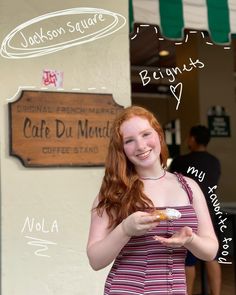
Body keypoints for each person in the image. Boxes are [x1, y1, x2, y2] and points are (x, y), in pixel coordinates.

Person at [87, 106, 218, 295]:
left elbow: (211, 251)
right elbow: (95, 260)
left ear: (158, 134)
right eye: (129, 141)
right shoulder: (114, 192)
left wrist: (190, 239)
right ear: (121, 149)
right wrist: (125, 229)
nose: (140, 146)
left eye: (146, 134)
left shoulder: (189, 187)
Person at [169, 125, 221, 295]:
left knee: (188, 260)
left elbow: (170, 183)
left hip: (189, 212)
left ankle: (187, 293)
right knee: (212, 256)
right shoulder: (214, 161)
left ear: (192, 139)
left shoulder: (181, 161)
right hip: (211, 210)